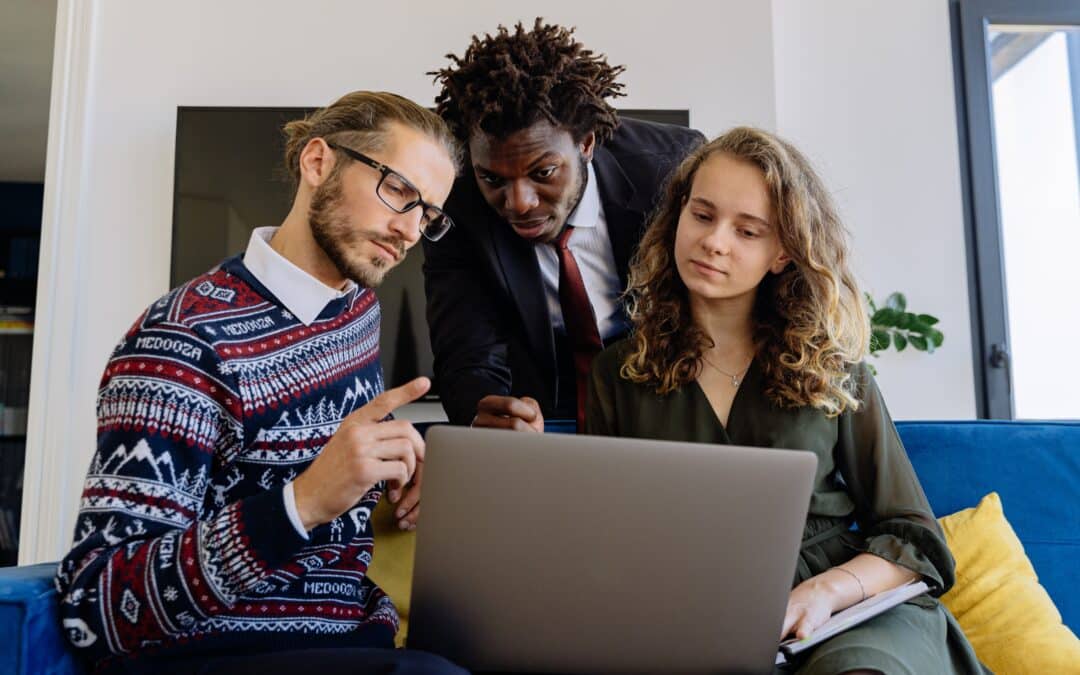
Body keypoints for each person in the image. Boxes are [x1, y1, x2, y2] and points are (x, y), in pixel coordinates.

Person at [55, 91, 468, 675]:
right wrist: (301, 504)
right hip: (220, 653)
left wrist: (395, 462)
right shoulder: (180, 342)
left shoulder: (354, 314)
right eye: (398, 191)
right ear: (318, 162)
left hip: (353, 637)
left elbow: (297, 441)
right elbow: (94, 608)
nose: (408, 231)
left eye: (426, 214)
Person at [585, 127, 988, 674]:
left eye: (747, 230)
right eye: (702, 216)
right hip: (697, 612)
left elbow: (913, 537)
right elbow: (607, 539)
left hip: (848, 611)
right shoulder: (620, 372)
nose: (715, 241)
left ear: (781, 253)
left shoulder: (833, 368)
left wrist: (824, 593)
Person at [425, 19, 704, 432]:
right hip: (542, 407)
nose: (519, 203)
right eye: (493, 179)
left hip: (666, 396)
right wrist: (486, 415)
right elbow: (468, 353)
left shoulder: (671, 168)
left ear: (586, 143)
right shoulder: (455, 201)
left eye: (543, 172)